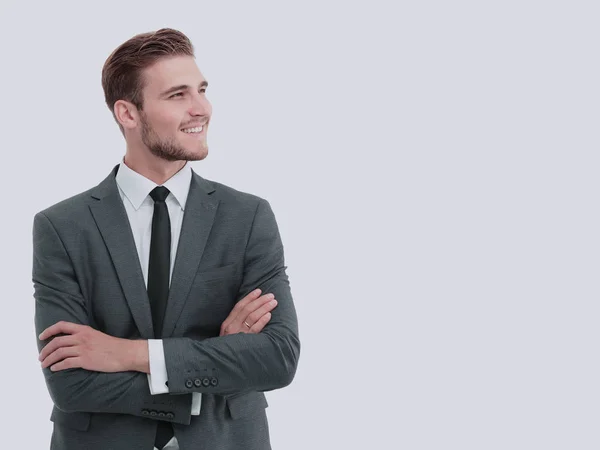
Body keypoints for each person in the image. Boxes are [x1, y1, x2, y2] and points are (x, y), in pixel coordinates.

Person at [32, 28, 300, 450]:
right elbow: (70, 383)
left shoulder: (248, 217)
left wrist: (127, 354)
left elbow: (277, 358)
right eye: (178, 95)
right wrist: (213, 366)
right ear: (128, 114)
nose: (202, 109)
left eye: (202, 90)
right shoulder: (62, 226)